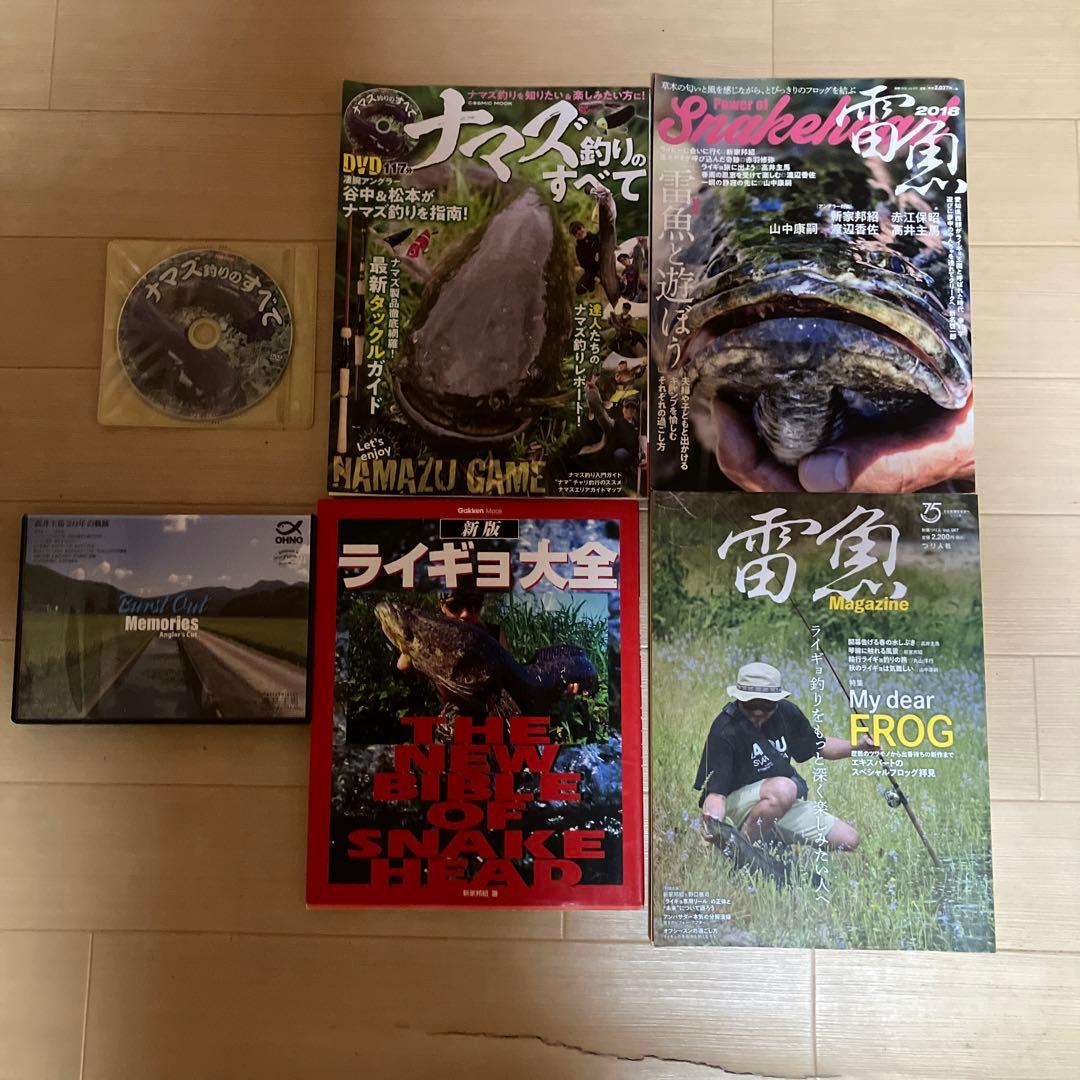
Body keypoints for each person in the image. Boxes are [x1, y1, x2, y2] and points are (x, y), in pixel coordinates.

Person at [696, 662, 876, 864]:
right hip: (737, 806)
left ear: (776, 701)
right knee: (785, 788)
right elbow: (716, 795)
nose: (758, 712)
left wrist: (858, 747)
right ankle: (738, 856)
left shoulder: (786, 713)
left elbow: (820, 745)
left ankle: (769, 840)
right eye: (751, 704)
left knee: (849, 839)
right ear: (739, 699)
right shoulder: (724, 729)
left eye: (766, 705)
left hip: (778, 803)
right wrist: (713, 825)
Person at [569, 220, 601, 295]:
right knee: (579, 289)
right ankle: (594, 281)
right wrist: (594, 260)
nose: (579, 232)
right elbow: (583, 264)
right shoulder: (578, 248)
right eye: (575, 232)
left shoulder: (595, 237)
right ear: (575, 236)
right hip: (591, 271)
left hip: (604, 266)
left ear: (584, 227)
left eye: (579, 228)